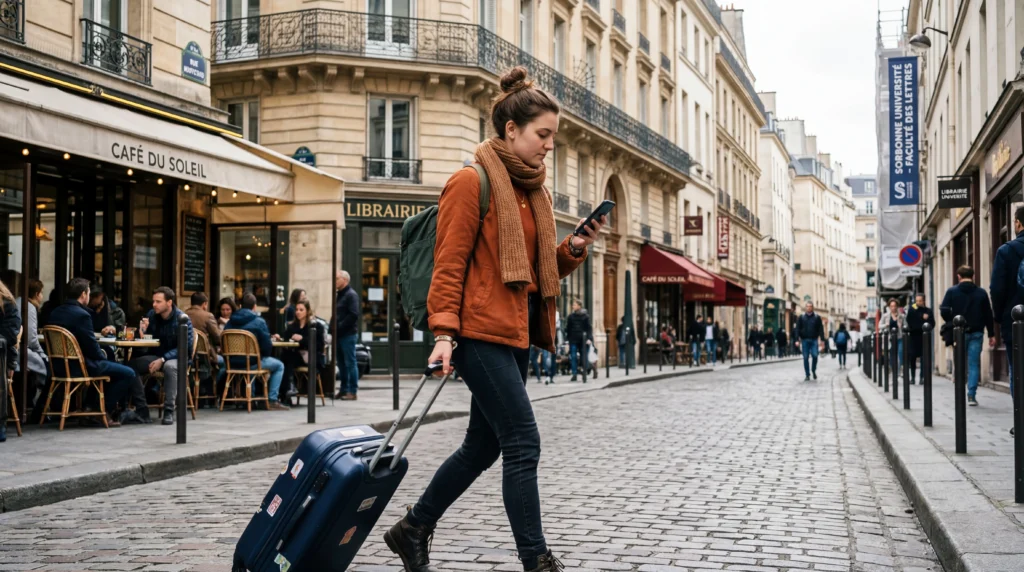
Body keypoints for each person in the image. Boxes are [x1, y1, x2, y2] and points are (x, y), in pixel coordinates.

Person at [384, 66, 601, 572]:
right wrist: (442, 333)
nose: (550, 145)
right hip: (478, 333)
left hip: (516, 331)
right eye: (542, 135)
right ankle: (536, 560)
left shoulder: (535, 193)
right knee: (523, 442)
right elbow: (450, 263)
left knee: (482, 446)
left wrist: (572, 248)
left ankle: (412, 527)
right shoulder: (470, 181)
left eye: (553, 136)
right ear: (511, 130)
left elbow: (534, 268)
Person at [46, 278, 146, 425]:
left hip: (59, 366)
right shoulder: (82, 315)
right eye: (88, 292)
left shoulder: (56, 312)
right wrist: (103, 358)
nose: (89, 295)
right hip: (80, 366)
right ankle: (101, 410)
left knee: (110, 364)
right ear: (83, 295)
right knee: (128, 373)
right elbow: (92, 349)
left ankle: (89, 407)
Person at [129, 287, 194, 426]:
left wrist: (163, 359)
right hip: (156, 356)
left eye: (158, 302)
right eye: (153, 301)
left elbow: (184, 347)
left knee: (170, 367)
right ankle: (142, 409)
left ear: (169, 302)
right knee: (131, 366)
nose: (154, 305)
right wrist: (142, 332)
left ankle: (169, 410)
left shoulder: (182, 319)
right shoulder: (152, 315)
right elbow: (148, 343)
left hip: (177, 358)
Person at [941, 265, 995, 407]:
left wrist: (951, 321)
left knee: (959, 362)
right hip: (977, 332)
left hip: (959, 332)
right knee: (973, 364)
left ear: (958, 276)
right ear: (973, 276)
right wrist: (992, 334)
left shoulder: (952, 291)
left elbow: (944, 310)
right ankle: (971, 395)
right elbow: (988, 315)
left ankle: (959, 391)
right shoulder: (981, 293)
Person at [224, 293, 289, 411]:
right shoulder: (259, 321)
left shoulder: (230, 322)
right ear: (254, 307)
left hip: (232, 362)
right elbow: (267, 347)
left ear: (240, 305)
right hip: (252, 362)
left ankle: (250, 397)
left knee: (251, 360)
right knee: (279, 365)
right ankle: (272, 400)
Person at [991, 205, 1024, 401]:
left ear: (1018, 223)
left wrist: (999, 316)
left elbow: (997, 289)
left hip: (1015, 322)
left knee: (1018, 371)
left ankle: (1021, 422)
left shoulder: (1006, 251)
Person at [274, 300, 325, 404]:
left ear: (307, 311)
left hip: (311, 357)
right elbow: (286, 339)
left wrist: (302, 339)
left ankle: (286, 391)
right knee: (285, 358)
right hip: (296, 357)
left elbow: (319, 345)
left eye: (301, 310)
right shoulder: (292, 326)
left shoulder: (315, 326)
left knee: (287, 358)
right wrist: (279, 338)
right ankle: (287, 389)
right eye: (297, 309)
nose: (298, 312)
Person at [18, 280, 49, 423]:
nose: (42, 296)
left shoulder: (18, 302)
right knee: (48, 370)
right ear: (37, 294)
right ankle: (39, 411)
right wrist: (43, 355)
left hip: (16, 349)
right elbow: (31, 339)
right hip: (20, 351)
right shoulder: (29, 307)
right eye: (42, 293)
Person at [185, 292, 222, 397]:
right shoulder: (208, 316)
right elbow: (218, 337)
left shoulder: (182, 314)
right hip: (205, 356)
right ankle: (210, 392)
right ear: (204, 304)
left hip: (187, 355)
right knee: (225, 364)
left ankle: (197, 389)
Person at [334, 270, 360, 400]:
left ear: (344, 280)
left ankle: (352, 391)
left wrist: (340, 326)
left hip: (348, 334)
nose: (335, 281)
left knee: (350, 362)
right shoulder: (339, 295)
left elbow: (354, 314)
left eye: (337, 278)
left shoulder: (351, 295)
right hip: (338, 334)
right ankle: (343, 389)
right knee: (341, 363)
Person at [905, 293, 936, 384]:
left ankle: (922, 377)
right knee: (912, 357)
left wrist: (923, 320)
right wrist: (921, 317)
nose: (918, 302)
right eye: (917, 300)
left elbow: (932, 323)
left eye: (920, 301)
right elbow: (909, 319)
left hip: (924, 337)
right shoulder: (912, 309)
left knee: (924, 357)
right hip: (913, 337)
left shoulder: (928, 311)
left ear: (924, 301)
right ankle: (913, 377)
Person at [796, 302, 826, 381]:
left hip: (814, 340)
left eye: (810, 306)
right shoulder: (801, 317)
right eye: (807, 306)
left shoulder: (817, 317)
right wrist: (797, 339)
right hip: (804, 340)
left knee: (815, 355)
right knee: (805, 357)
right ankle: (807, 374)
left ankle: (813, 369)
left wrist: (822, 340)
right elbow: (797, 329)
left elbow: (821, 329)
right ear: (805, 308)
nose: (809, 308)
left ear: (812, 308)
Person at [564, 299, 591, 381]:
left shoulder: (585, 316)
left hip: (583, 339)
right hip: (573, 339)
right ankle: (574, 373)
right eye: (573, 305)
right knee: (573, 356)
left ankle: (584, 372)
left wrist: (589, 338)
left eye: (574, 305)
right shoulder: (571, 317)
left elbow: (588, 328)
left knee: (583, 357)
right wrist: (567, 340)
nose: (573, 306)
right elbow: (568, 329)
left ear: (579, 306)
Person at [884, 298, 906, 375]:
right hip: (890, 338)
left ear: (897, 306)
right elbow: (879, 325)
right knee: (892, 356)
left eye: (894, 306)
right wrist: (885, 325)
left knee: (900, 353)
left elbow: (906, 326)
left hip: (899, 337)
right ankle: (893, 370)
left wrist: (901, 326)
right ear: (889, 307)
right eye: (891, 306)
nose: (893, 308)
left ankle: (899, 371)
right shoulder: (886, 316)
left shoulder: (902, 316)